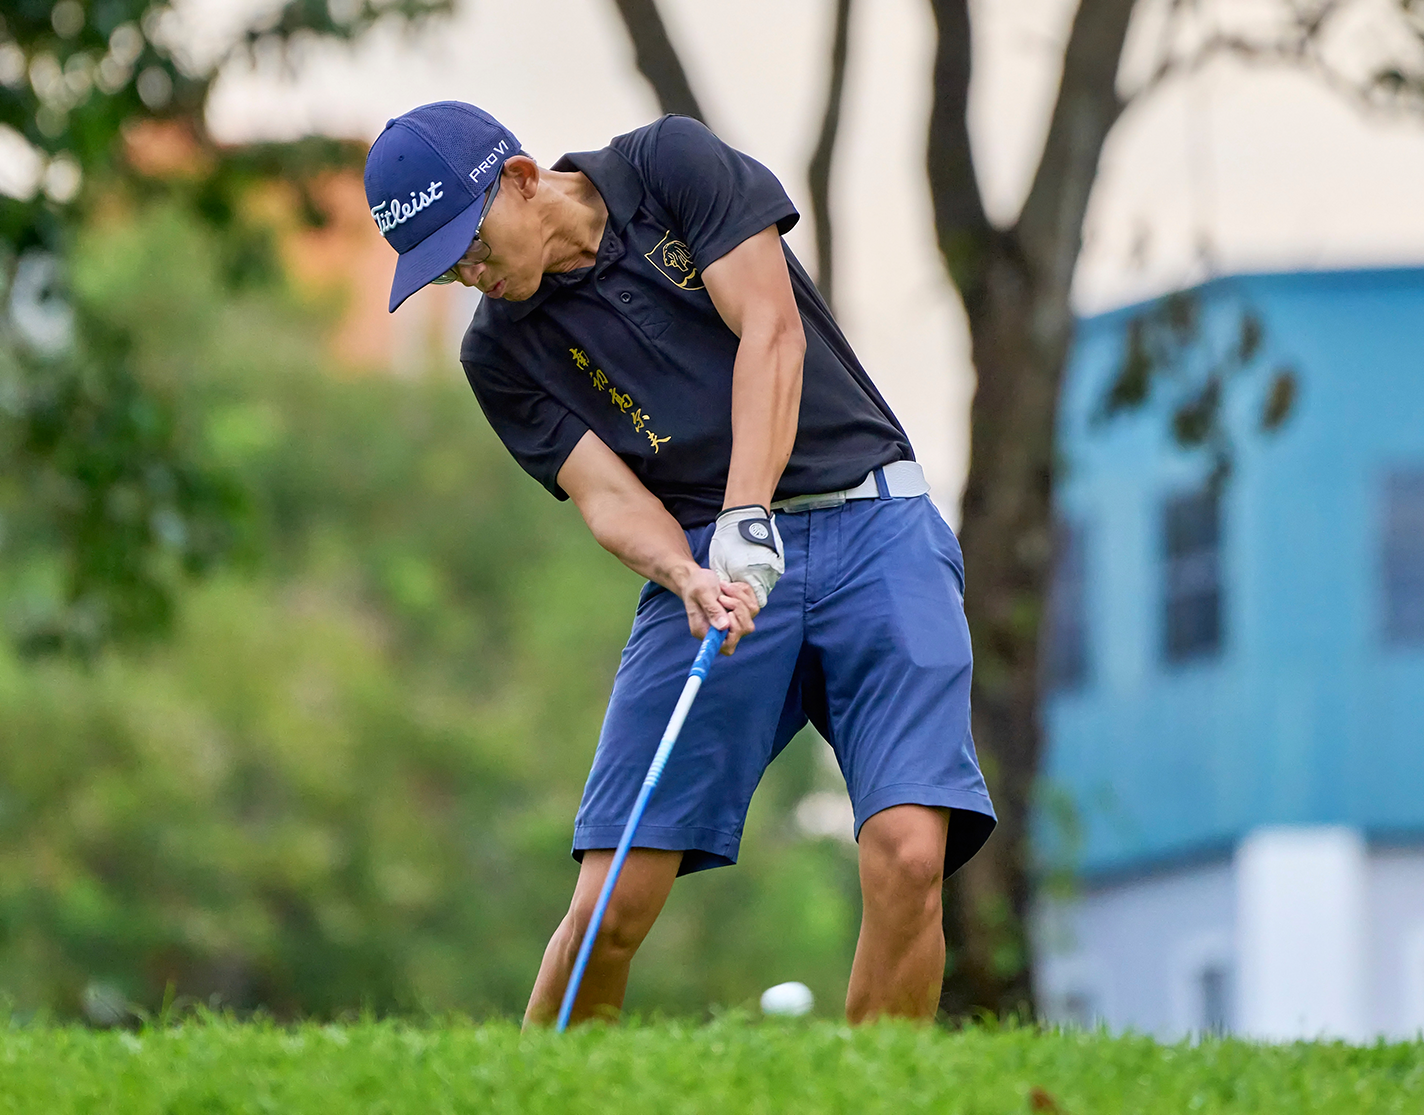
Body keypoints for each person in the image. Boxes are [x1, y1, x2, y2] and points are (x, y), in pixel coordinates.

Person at [363, 101, 994, 1028]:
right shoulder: (498, 353)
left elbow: (771, 331)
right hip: (708, 565)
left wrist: (747, 507)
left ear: (521, 177)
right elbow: (607, 496)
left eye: (468, 239)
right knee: (612, 899)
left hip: (873, 523)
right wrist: (689, 572)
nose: (470, 271)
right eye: (443, 264)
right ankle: (536, 1098)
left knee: (907, 853)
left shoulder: (670, 167)